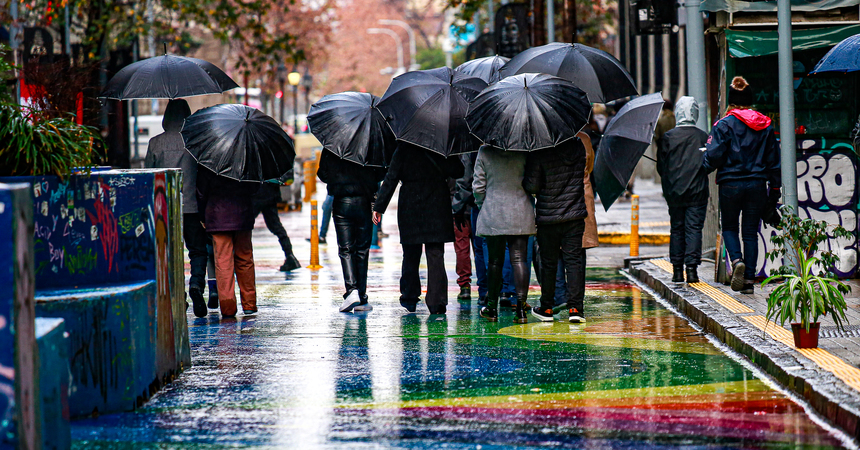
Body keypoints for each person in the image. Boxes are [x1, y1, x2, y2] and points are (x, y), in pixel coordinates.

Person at [703, 76, 781, 294]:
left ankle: (737, 260)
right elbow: (774, 162)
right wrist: (774, 191)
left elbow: (714, 156)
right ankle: (748, 282)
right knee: (750, 232)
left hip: (730, 185)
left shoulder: (723, 125)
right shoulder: (765, 125)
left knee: (729, 227)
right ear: (749, 101)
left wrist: (702, 165)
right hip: (757, 185)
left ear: (731, 102)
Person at [373, 143, 464, 314]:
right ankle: (437, 302)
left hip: (410, 203)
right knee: (435, 253)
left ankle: (409, 297)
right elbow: (458, 171)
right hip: (437, 202)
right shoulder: (441, 145)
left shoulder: (404, 147)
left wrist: (379, 207)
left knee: (410, 253)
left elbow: (391, 177)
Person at [144, 99, 215, 318]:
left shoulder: (155, 143)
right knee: (198, 250)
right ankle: (196, 285)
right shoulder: (196, 142)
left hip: (165, 207)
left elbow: (148, 175)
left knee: (170, 252)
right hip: (192, 206)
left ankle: (178, 296)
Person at [523, 136, 588, 323]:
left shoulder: (539, 149)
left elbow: (532, 185)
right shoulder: (577, 145)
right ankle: (576, 309)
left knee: (549, 263)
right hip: (574, 214)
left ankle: (547, 308)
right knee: (574, 261)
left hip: (548, 216)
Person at [316, 150, 386, 312]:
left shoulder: (333, 146)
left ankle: (351, 290)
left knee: (346, 249)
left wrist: (338, 178)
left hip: (341, 201)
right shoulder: (371, 145)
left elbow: (322, 174)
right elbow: (381, 172)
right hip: (364, 201)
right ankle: (361, 296)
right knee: (362, 249)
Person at [472, 146, 535, 323]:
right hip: (520, 210)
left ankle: (492, 308)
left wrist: (483, 205)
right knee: (519, 259)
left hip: (493, 210)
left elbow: (478, 187)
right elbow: (533, 183)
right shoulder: (525, 150)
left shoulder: (485, 151)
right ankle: (520, 310)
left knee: (494, 261)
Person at [658, 96, 710, 284]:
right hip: (697, 191)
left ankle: (677, 271)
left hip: (674, 192)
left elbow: (661, 167)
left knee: (677, 229)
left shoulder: (668, 137)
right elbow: (708, 163)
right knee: (694, 229)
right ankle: (692, 270)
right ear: (695, 113)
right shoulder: (703, 137)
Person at [197, 168, 260, 318]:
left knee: (223, 261)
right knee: (245, 258)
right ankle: (249, 304)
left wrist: (202, 216)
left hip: (217, 216)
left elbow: (201, 192)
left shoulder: (209, 162)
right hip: (243, 213)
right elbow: (255, 187)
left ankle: (228, 306)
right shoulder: (247, 160)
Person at [252, 183, 301, 272]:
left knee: (243, 226)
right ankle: (290, 255)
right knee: (275, 225)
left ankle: (236, 259)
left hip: (256, 193)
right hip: (270, 193)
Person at [452, 154, 475, 302]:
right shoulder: (479, 148)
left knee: (462, 247)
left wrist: (456, 206)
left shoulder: (456, 152)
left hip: (461, 208)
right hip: (477, 205)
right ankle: (486, 286)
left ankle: (465, 285)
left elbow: (463, 181)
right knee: (481, 248)